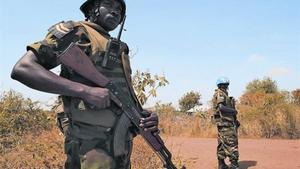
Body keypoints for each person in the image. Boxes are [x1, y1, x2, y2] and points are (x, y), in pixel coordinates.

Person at [11, 0, 159, 168]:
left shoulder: (120, 47)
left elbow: (121, 95)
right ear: (92, 8)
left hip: (119, 149)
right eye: (109, 5)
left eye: (119, 9)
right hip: (89, 148)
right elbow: (23, 68)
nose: (116, 12)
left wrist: (142, 116)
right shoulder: (76, 31)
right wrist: (85, 91)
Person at [212, 77, 240, 169]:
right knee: (231, 144)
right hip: (225, 124)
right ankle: (234, 165)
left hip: (223, 123)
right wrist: (233, 111)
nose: (226, 86)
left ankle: (221, 164)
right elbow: (221, 107)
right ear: (220, 85)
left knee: (222, 144)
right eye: (224, 85)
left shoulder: (223, 94)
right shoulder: (220, 94)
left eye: (226, 85)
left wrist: (235, 120)